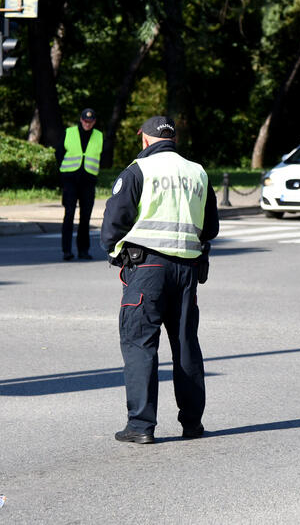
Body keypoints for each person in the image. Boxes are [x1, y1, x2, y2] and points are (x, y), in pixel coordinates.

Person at [100, 115, 219, 444]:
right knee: (185, 345)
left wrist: (112, 250)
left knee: (140, 344)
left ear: (146, 139)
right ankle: (192, 423)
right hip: (187, 271)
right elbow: (210, 229)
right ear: (173, 140)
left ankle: (140, 426)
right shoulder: (198, 172)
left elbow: (114, 222)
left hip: (147, 269)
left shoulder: (139, 170)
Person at [56, 108, 102, 261]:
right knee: (69, 214)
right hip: (70, 180)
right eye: (85, 121)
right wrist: (62, 175)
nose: (87, 124)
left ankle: (83, 250)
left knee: (85, 217)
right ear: (81, 120)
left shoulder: (99, 136)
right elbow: (59, 153)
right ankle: (67, 251)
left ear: (94, 122)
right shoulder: (69, 132)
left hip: (88, 181)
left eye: (90, 122)